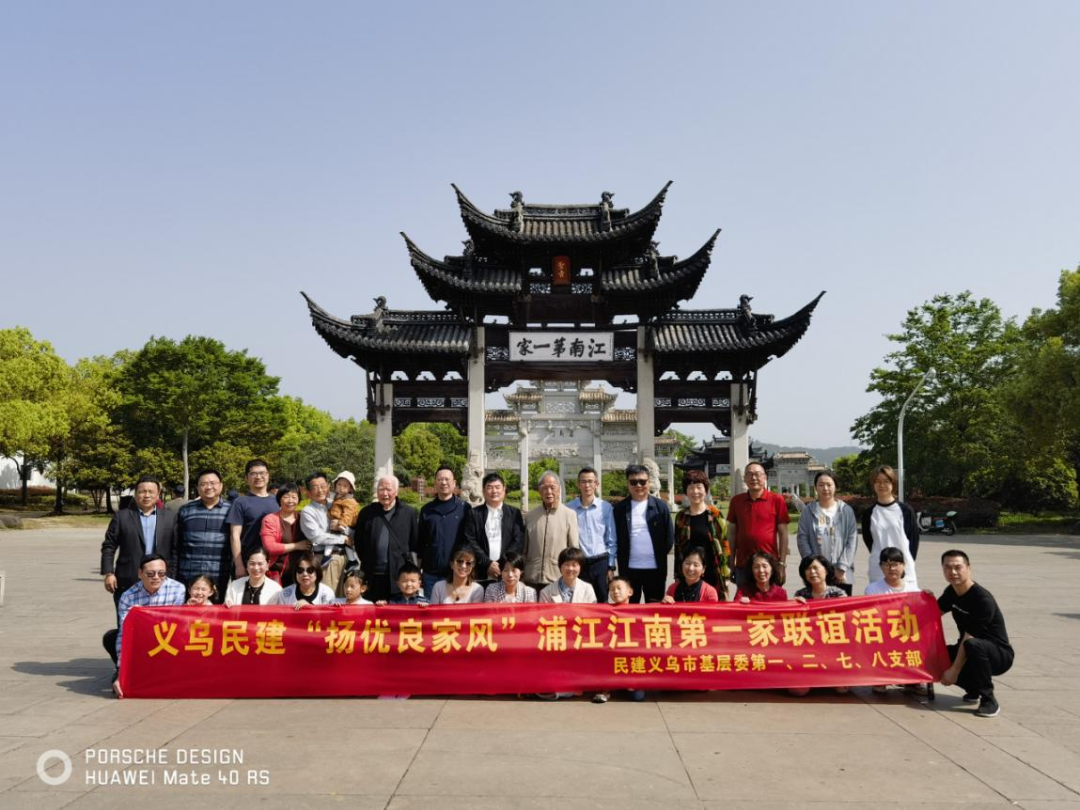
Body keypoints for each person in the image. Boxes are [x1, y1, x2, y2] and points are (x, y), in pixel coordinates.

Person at [937, 550, 1013, 718]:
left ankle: (989, 699)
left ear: (969, 568)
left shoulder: (982, 599)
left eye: (958, 567)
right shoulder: (951, 592)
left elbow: (970, 637)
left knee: (971, 645)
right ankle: (973, 688)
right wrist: (924, 598)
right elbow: (932, 614)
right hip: (970, 647)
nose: (953, 572)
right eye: (947, 567)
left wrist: (954, 671)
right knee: (937, 655)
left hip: (998, 654)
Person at [109, 553, 186, 699]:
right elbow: (124, 634)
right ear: (140, 574)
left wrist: (144, 618)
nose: (157, 577)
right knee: (111, 637)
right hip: (142, 643)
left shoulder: (178, 589)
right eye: (150, 574)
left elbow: (175, 625)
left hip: (168, 641)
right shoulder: (128, 596)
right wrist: (121, 670)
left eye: (161, 573)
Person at [101, 476, 177, 618]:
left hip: (161, 582)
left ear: (158, 494)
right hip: (128, 580)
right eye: (142, 491)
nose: (146, 495)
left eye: (151, 491)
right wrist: (108, 573)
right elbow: (109, 546)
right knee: (126, 626)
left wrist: (174, 576)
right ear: (136, 494)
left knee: (160, 627)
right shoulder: (121, 517)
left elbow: (175, 549)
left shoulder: (170, 517)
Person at [613, 463, 673, 603]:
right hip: (629, 570)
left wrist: (658, 554)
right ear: (628, 484)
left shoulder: (661, 507)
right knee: (630, 611)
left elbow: (669, 538)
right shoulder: (619, 509)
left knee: (654, 611)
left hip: (655, 569)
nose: (638, 485)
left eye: (642, 481)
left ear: (649, 482)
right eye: (633, 482)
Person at [357, 475, 419, 602]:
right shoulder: (366, 513)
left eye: (388, 489)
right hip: (372, 575)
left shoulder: (408, 513)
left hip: (399, 577)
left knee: (397, 616)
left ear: (396, 491)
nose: (385, 493)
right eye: (381, 489)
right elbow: (359, 543)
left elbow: (414, 543)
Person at [726, 462, 790, 588]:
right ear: (744, 478)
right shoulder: (736, 501)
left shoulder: (777, 500)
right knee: (744, 603)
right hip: (743, 565)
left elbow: (783, 534)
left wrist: (781, 564)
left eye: (757, 474)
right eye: (749, 474)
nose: (753, 478)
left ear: (765, 477)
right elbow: (732, 534)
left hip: (769, 564)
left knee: (771, 603)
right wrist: (731, 562)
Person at [173, 468, 232, 599]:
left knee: (216, 617)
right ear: (198, 488)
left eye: (213, 483)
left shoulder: (232, 510)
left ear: (221, 486)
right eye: (204, 484)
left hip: (218, 576)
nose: (208, 487)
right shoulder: (185, 510)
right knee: (188, 617)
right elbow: (176, 545)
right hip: (188, 577)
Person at [796, 470, 858, 594]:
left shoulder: (846, 510)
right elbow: (802, 539)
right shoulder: (808, 511)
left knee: (841, 610)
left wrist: (842, 567)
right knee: (818, 610)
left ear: (835, 487)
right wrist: (813, 566)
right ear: (815, 488)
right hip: (816, 575)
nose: (825, 488)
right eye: (821, 485)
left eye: (829, 484)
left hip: (842, 574)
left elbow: (852, 540)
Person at [459, 472, 525, 585]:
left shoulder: (514, 513)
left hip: (507, 573)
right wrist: (488, 563)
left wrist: (502, 563)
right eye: (489, 487)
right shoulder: (474, 513)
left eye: (497, 487)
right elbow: (470, 540)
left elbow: (518, 541)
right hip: (480, 573)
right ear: (484, 491)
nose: (494, 491)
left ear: (504, 490)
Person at [566, 466, 617, 608]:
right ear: (578, 484)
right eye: (583, 481)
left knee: (602, 601)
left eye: (590, 481)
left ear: (596, 484)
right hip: (579, 562)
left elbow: (611, 538)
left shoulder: (605, 507)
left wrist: (611, 566)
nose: (587, 485)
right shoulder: (569, 508)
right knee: (580, 601)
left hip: (601, 561)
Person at [861, 465, 919, 589]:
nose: (882, 485)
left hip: (904, 570)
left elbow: (913, 541)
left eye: (886, 481)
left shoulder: (905, 510)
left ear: (893, 483)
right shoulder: (869, 513)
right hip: (878, 569)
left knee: (906, 607)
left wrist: (903, 565)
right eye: (878, 482)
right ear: (873, 485)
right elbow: (870, 542)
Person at [673, 470, 729, 596]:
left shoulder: (715, 515)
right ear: (686, 491)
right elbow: (678, 548)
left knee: (714, 610)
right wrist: (677, 574)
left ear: (706, 490)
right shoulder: (681, 517)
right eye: (691, 488)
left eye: (699, 487)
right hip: (689, 572)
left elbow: (724, 545)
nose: (695, 492)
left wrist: (725, 574)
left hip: (713, 572)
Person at [299, 471, 357, 593]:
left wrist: (343, 529)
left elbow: (352, 523)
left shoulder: (338, 503)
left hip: (345, 558)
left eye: (323, 486)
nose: (320, 490)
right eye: (315, 487)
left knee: (346, 598)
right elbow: (317, 537)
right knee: (328, 598)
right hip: (326, 561)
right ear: (308, 492)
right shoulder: (307, 512)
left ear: (329, 487)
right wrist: (344, 539)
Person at [523, 471, 580, 592]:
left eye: (552, 487)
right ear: (539, 491)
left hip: (558, 578)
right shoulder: (530, 516)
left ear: (559, 490)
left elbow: (573, 549)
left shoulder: (569, 515)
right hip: (532, 578)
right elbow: (524, 549)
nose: (548, 492)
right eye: (544, 488)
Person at [419, 465, 470, 599]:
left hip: (457, 573)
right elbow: (420, 542)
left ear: (454, 483)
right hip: (431, 574)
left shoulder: (464, 509)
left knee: (455, 615)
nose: (444, 482)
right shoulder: (426, 510)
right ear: (435, 483)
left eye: (447, 479)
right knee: (432, 615)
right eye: (440, 479)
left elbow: (469, 541)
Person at [593, 576, 645, 704]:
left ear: (630, 592)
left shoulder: (640, 613)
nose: (615, 592)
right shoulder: (604, 612)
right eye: (611, 589)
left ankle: (624, 684)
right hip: (611, 660)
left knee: (637, 696)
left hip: (631, 663)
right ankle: (605, 690)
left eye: (619, 588)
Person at [226, 459, 279, 577]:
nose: (258, 477)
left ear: (268, 476)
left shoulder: (277, 501)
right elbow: (234, 535)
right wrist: (239, 565)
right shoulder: (240, 502)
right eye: (253, 473)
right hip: (248, 563)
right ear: (246, 478)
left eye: (262, 473)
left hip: (274, 563)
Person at [260, 483, 312, 585]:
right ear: (279, 499)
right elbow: (270, 547)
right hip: (278, 573)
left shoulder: (305, 518)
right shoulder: (270, 519)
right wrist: (297, 546)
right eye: (286, 497)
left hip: (302, 574)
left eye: (294, 497)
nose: (290, 500)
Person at [272, 551, 336, 608]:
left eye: (310, 570)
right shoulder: (285, 594)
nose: (305, 574)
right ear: (295, 573)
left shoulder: (327, 593)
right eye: (300, 570)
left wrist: (309, 607)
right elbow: (282, 618)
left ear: (317, 572)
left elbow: (328, 618)